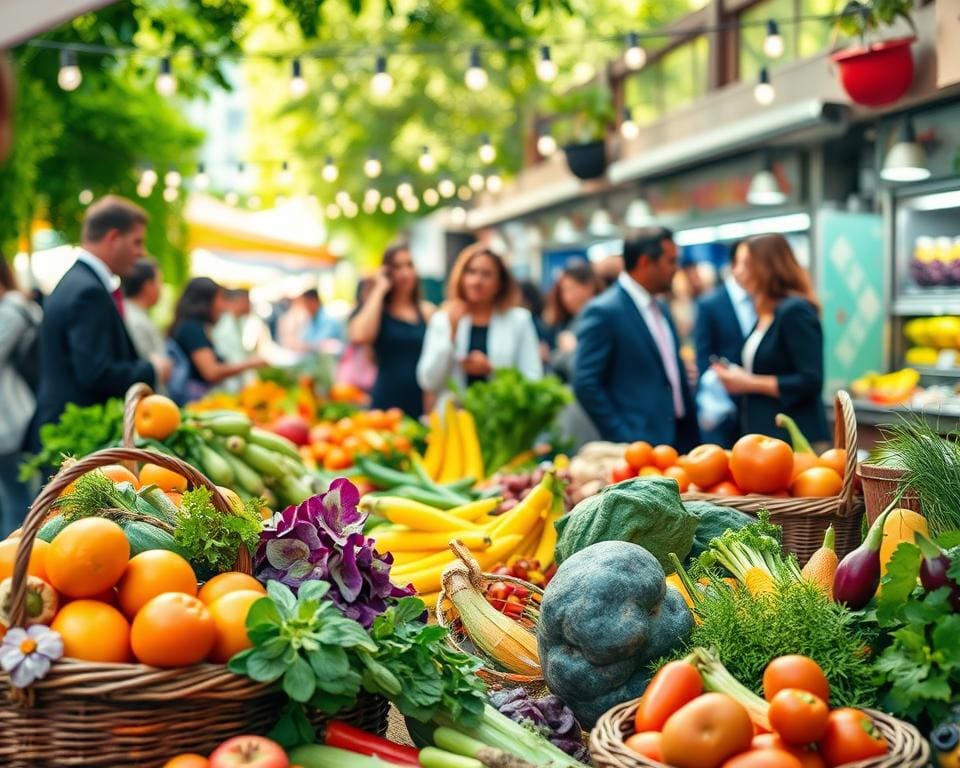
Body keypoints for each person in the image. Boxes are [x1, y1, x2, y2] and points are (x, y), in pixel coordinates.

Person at [33, 196, 170, 436]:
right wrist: (152, 369)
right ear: (113, 238)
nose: (142, 253)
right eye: (137, 242)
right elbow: (95, 373)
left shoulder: (79, 282)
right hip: (75, 435)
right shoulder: (89, 291)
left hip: (67, 429)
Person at [574, 227, 700, 450]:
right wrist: (623, 437)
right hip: (641, 444)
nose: (676, 269)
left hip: (681, 438)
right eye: (670, 261)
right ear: (645, 262)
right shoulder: (604, 311)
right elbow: (585, 382)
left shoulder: (660, 306)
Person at [712, 233, 829, 445]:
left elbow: (811, 379)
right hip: (766, 436)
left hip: (796, 438)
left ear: (767, 266)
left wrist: (748, 382)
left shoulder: (795, 311)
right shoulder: (766, 313)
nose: (736, 271)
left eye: (746, 263)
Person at [417, 244, 543, 398]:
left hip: (501, 416)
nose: (477, 281)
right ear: (461, 276)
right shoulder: (443, 319)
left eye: (487, 274)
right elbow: (428, 381)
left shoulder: (519, 320)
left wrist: (492, 371)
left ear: (500, 283)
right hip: (454, 417)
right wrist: (451, 336)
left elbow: (534, 378)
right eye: (471, 272)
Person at [348, 246, 434, 416]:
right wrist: (379, 288)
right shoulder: (378, 311)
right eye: (397, 267)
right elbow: (359, 335)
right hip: (385, 399)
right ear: (386, 271)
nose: (404, 273)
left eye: (409, 265)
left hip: (420, 400)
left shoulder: (427, 312)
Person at [692, 241, 757, 447]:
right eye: (746, 262)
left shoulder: (766, 301)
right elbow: (703, 356)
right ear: (733, 265)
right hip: (725, 413)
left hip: (760, 409)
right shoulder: (709, 304)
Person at [168, 277, 265, 403]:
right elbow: (211, 372)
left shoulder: (193, 326)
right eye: (220, 299)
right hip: (193, 403)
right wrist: (250, 363)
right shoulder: (192, 329)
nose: (223, 306)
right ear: (206, 301)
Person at [0, 258, 41, 532]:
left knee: (17, 498)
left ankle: (14, 566)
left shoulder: (11, 311)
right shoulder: (23, 308)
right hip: (18, 416)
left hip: (9, 421)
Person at [544, 260, 602, 382]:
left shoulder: (597, 318)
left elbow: (583, 366)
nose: (566, 297)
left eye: (571, 289)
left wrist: (570, 351)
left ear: (589, 286)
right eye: (563, 291)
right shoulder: (571, 319)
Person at [121, 258, 166, 362]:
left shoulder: (132, 313)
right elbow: (146, 363)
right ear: (148, 286)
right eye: (160, 282)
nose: (161, 288)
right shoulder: (134, 320)